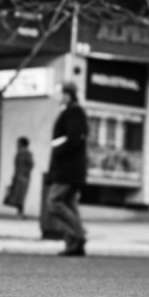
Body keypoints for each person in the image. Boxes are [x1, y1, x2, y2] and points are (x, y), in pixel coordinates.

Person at [46, 81, 88, 256]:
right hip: (68, 169)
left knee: (54, 203)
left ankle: (79, 234)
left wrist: (57, 149)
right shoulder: (69, 111)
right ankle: (75, 247)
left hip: (68, 170)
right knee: (69, 204)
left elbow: (74, 139)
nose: (58, 95)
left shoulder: (74, 111)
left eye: (60, 92)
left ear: (68, 94)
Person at [3, 136, 34, 217]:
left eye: (19, 143)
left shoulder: (27, 154)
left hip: (23, 178)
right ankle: (19, 212)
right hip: (17, 177)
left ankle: (20, 213)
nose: (17, 145)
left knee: (21, 196)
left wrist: (24, 174)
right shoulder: (18, 154)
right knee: (14, 195)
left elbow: (30, 166)